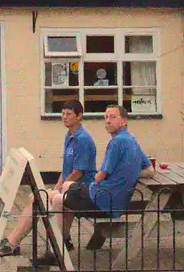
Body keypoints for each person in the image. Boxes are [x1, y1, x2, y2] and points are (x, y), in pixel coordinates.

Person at [41, 104, 150, 260]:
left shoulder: (116, 142)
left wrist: (115, 176)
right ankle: (61, 244)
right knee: (62, 193)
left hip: (104, 199)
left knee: (60, 196)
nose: (107, 121)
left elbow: (100, 175)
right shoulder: (132, 139)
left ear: (124, 120)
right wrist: (126, 173)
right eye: (105, 117)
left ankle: (58, 248)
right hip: (116, 198)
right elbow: (150, 170)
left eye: (112, 117)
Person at [0, 98, 94, 258]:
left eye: (69, 114)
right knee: (38, 197)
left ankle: (13, 243)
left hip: (81, 189)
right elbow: (66, 169)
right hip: (70, 186)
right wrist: (56, 188)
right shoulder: (70, 135)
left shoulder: (83, 139)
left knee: (37, 199)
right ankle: (61, 239)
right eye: (63, 114)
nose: (64, 117)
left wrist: (59, 190)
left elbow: (78, 173)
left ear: (79, 116)